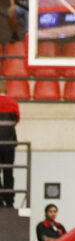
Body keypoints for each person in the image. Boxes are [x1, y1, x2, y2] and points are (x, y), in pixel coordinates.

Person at [0, 80, 20, 208]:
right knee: (8, 172)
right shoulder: (13, 103)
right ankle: (9, 201)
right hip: (9, 143)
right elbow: (17, 119)